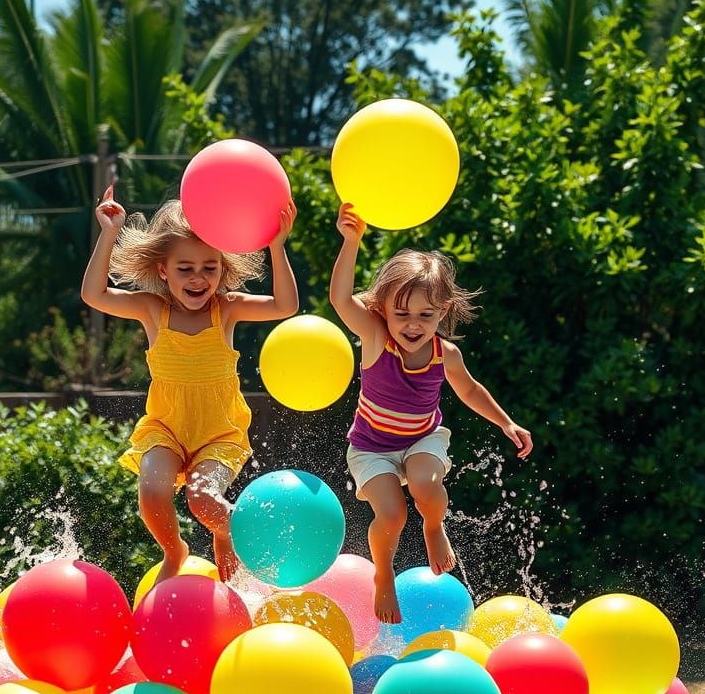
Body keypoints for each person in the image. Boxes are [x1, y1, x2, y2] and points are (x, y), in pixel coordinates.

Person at [82, 186, 299, 583]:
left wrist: (277, 246)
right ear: (163, 269)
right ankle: (175, 550)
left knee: (203, 501)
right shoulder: (152, 310)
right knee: (151, 493)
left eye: (209, 268)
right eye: (185, 268)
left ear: (222, 266)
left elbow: (285, 306)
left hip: (218, 433)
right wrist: (109, 231)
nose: (199, 278)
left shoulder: (227, 309)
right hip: (166, 429)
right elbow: (93, 294)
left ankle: (232, 540)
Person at [329, 202, 533, 624]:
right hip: (371, 449)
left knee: (425, 485)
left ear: (443, 312)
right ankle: (383, 574)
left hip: (422, 438)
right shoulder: (374, 337)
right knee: (391, 514)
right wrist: (351, 243)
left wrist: (505, 421)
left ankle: (433, 526)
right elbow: (339, 298)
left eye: (426, 314)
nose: (413, 323)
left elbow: (470, 390)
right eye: (401, 313)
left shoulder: (446, 354)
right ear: (383, 309)